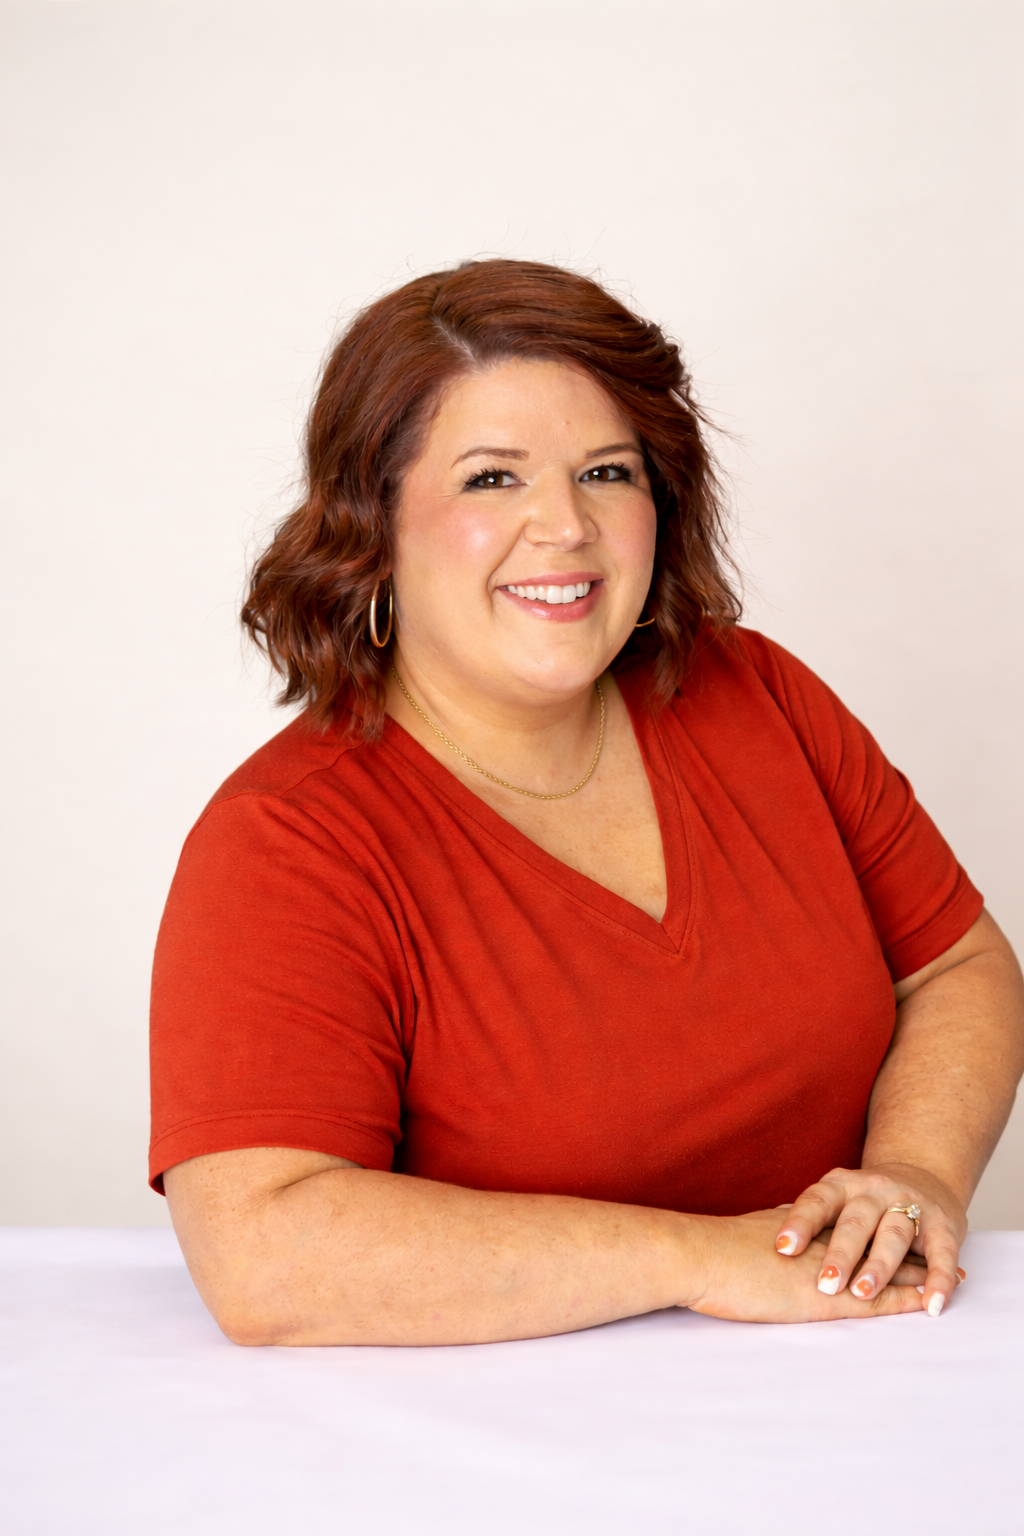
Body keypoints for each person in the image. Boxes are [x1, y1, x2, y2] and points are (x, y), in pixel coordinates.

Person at [150, 259, 1024, 1346]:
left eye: (607, 472)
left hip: (863, 1378)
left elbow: (957, 967)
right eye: (490, 479)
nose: (565, 525)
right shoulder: (287, 840)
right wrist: (705, 1260)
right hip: (498, 1451)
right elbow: (263, 1258)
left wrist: (912, 1176)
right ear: (372, 528)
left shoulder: (758, 695)